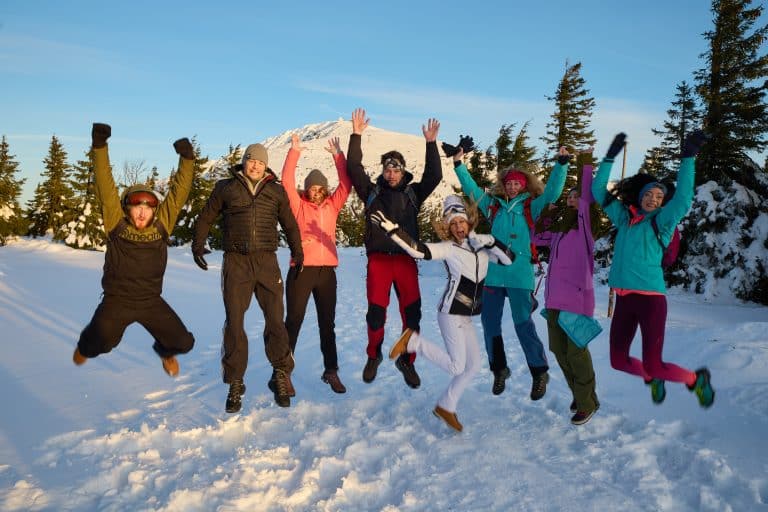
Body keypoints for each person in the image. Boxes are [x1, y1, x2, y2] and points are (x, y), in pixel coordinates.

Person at [592, 130, 714, 408]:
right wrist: (610, 157)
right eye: (649, 194)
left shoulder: (663, 221)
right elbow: (598, 191)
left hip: (651, 301)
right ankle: (652, 376)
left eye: (659, 196)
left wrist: (688, 157)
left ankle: (696, 380)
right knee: (618, 361)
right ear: (640, 196)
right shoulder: (624, 218)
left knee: (655, 363)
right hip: (624, 299)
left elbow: (682, 199)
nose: (654, 199)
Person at [376, 187, 513, 432]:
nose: (458, 227)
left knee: (473, 366)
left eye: (461, 221)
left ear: (469, 222)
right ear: (448, 228)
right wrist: (394, 231)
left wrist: (491, 240)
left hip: (467, 316)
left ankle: (446, 406)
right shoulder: (449, 248)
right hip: (450, 312)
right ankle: (413, 342)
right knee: (456, 366)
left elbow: (508, 259)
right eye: (453, 224)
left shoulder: (481, 245)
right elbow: (418, 249)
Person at [73, 123, 195, 377]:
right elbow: (106, 186)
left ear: (154, 210)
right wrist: (99, 147)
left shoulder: (162, 225)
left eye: (148, 207)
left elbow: (178, 193)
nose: (142, 212)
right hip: (116, 301)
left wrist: (187, 160)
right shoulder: (115, 223)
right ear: (126, 208)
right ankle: (85, 347)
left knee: (184, 342)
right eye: (136, 206)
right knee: (101, 343)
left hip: (151, 301)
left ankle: (166, 353)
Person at [192, 141, 303, 413]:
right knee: (235, 322)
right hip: (236, 262)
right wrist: (198, 244)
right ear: (244, 162)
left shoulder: (275, 191)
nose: (255, 165)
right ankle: (235, 382)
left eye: (261, 162)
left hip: (267, 261)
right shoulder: (226, 187)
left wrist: (298, 252)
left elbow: (289, 223)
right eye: (252, 160)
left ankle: (280, 374)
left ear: (266, 166)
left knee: (276, 320)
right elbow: (207, 216)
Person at [453, 145, 569, 400]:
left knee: (522, 324)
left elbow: (552, 192)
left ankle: (539, 372)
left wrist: (561, 164)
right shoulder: (492, 206)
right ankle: (499, 369)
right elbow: (472, 190)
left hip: (519, 275)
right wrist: (459, 164)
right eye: (509, 184)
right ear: (503, 186)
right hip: (494, 274)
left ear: (524, 185)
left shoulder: (531, 206)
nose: (512, 187)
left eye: (517, 184)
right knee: (489, 324)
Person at [346, 108, 442, 389]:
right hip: (378, 261)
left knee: (412, 315)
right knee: (376, 313)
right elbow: (354, 168)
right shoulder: (371, 192)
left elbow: (434, 175)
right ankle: (373, 355)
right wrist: (356, 135)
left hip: (405, 261)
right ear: (383, 171)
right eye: (387, 169)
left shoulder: (413, 194)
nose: (391, 173)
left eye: (396, 168)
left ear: (403, 171)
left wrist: (431, 143)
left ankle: (406, 360)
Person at [533, 150, 602, 425]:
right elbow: (537, 237)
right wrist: (548, 216)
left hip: (576, 298)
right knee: (559, 352)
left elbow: (587, 199)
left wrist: (584, 163)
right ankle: (579, 393)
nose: (573, 199)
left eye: (576, 196)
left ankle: (587, 402)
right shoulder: (561, 230)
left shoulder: (586, 227)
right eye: (569, 197)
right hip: (554, 301)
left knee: (576, 352)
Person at [281, 134, 351, 394]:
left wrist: (338, 156)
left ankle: (331, 371)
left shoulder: (332, 206)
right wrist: (294, 152)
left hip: (326, 273)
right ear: (307, 189)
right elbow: (286, 182)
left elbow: (346, 184)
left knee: (327, 323)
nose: (317, 192)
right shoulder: (298, 206)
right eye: (313, 188)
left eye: (321, 189)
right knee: (295, 320)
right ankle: (283, 373)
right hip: (301, 271)